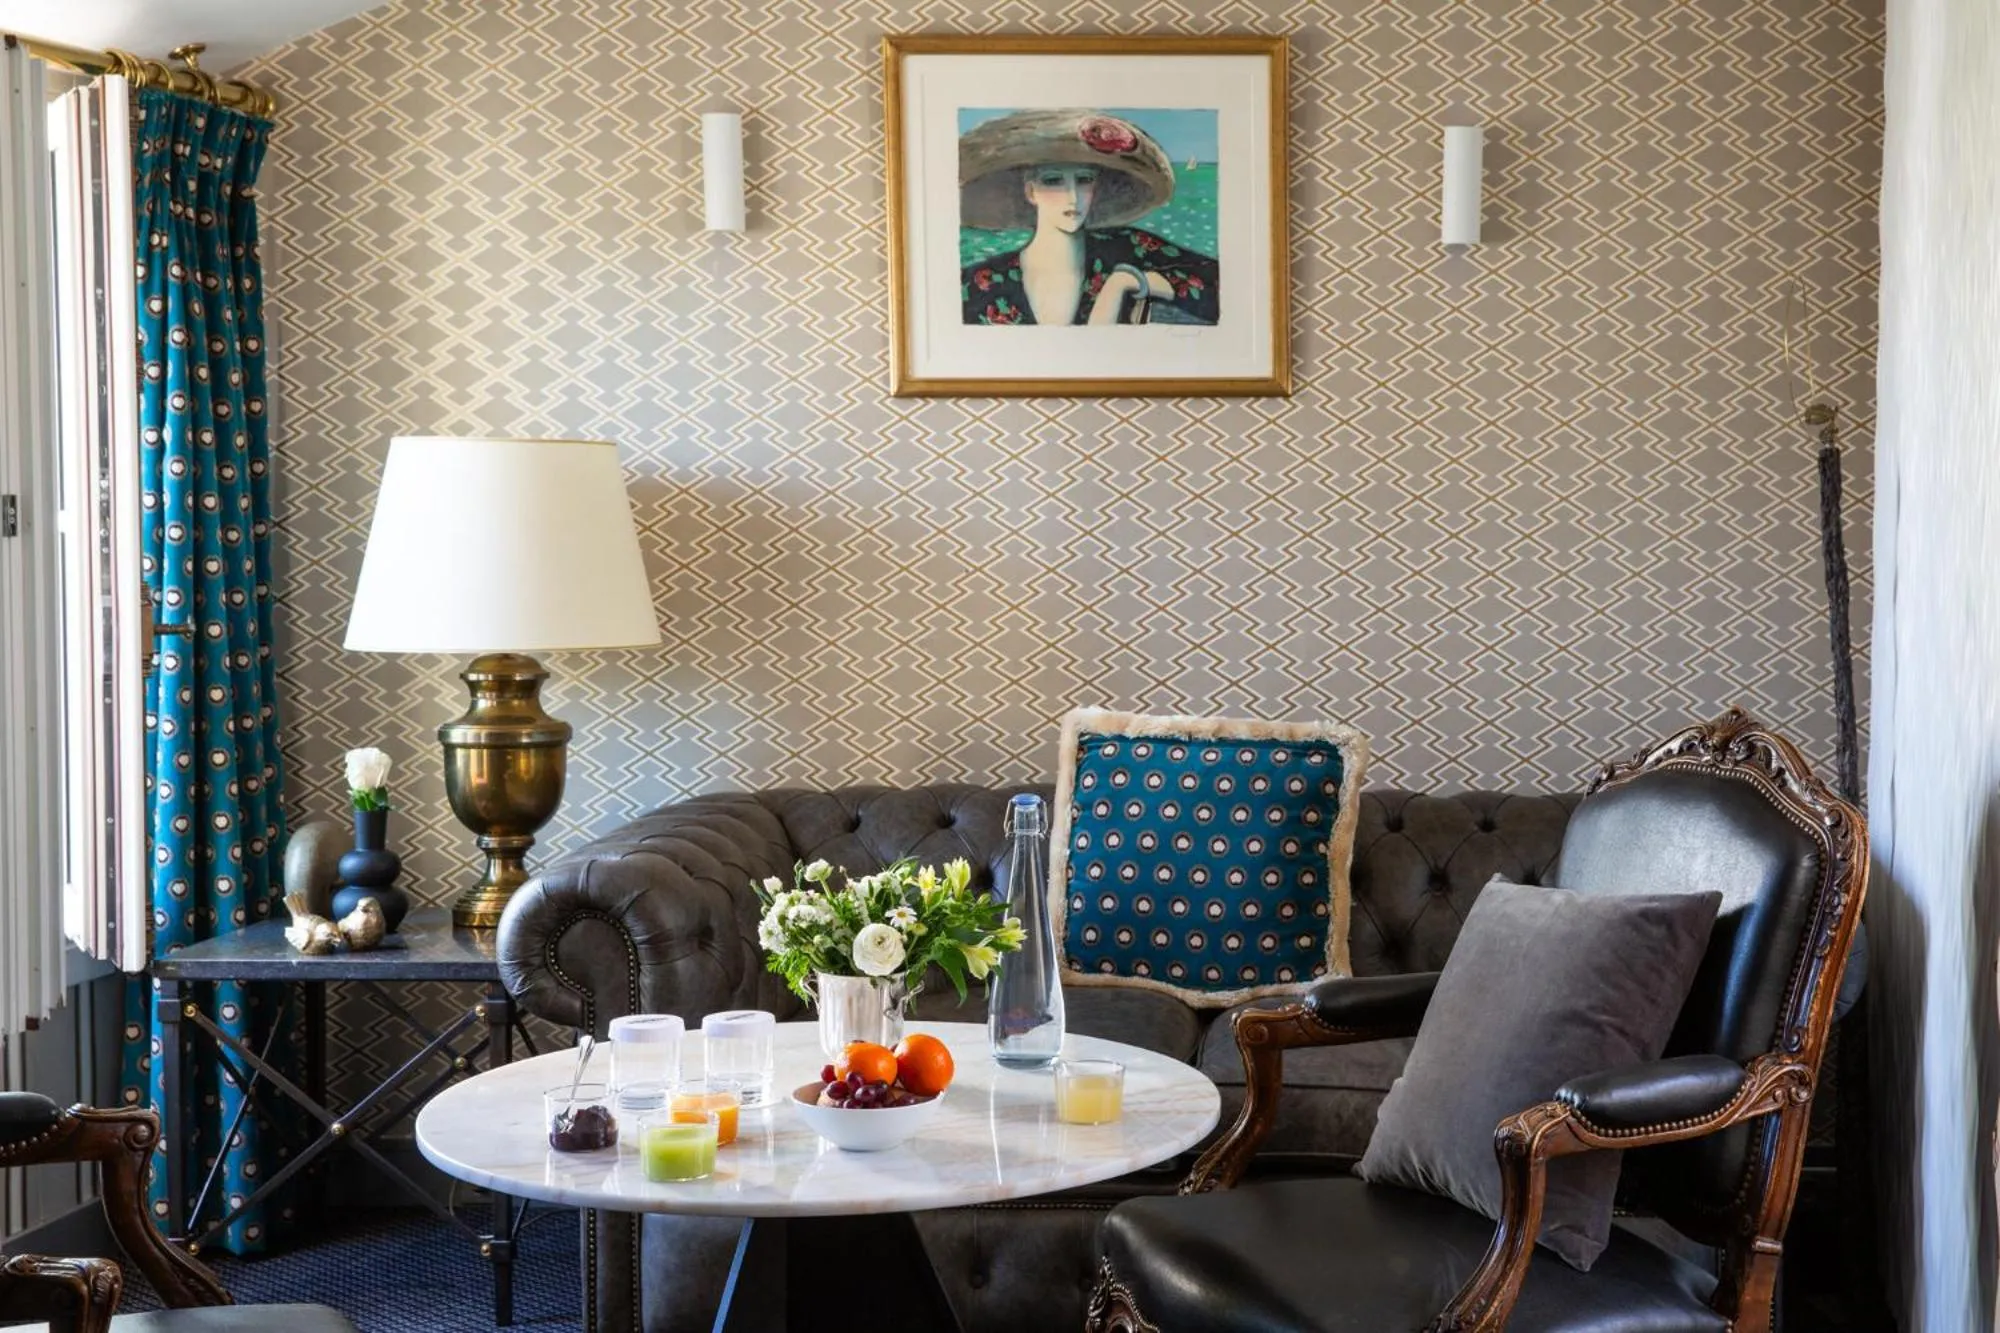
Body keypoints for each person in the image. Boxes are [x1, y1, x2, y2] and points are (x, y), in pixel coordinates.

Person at [959, 110, 1219, 327]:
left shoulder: (1128, 247)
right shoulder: (979, 283)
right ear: (1030, 191)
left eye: (1084, 180)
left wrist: (1125, 281)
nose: (1072, 197)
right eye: (1053, 181)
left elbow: (1222, 287)